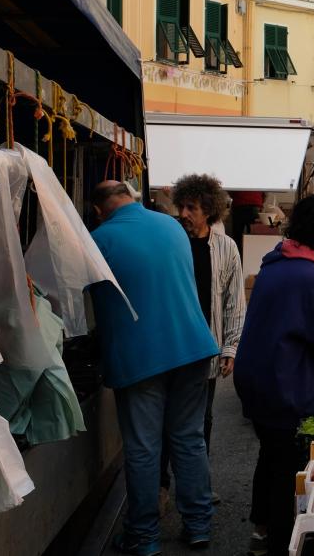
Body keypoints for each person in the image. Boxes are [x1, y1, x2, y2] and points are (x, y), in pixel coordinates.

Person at [89, 181, 218, 555]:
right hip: (193, 347)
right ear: (130, 195)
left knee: (144, 448)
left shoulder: (100, 240)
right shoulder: (171, 227)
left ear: (100, 209)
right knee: (188, 439)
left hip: (142, 358)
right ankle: (198, 526)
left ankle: (143, 537)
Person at [234, 196, 314, 556]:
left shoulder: (275, 264)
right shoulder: (308, 277)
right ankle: (280, 541)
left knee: (269, 454)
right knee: (286, 468)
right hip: (284, 386)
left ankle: (261, 531)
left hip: (256, 379)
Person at [166, 174, 245, 495]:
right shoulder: (171, 241)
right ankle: (162, 482)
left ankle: (200, 483)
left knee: (204, 420)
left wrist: (230, 348)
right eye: (181, 206)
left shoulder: (226, 247)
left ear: (208, 211)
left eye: (192, 208)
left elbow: (234, 301)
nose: (184, 214)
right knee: (166, 421)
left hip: (205, 347)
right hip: (171, 347)